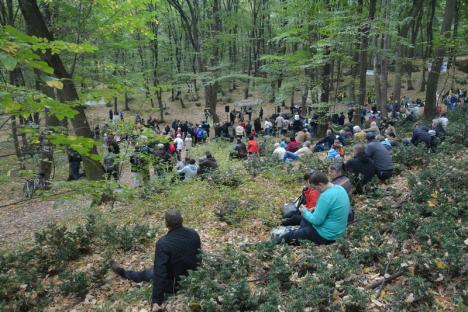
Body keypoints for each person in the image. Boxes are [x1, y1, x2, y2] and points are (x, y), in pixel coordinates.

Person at [110, 210, 200, 312]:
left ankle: (123, 273)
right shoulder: (194, 234)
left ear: (166, 224)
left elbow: (160, 273)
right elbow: (198, 257)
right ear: (182, 220)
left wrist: (156, 301)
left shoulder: (163, 243)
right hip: (195, 279)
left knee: (146, 274)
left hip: (175, 284)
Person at [278, 171, 350, 245]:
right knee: (305, 221)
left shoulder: (325, 196)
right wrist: (316, 208)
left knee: (288, 236)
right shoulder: (339, 188)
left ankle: (270, 245)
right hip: (338, 232)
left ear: (320, 184)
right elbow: (332, 207)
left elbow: (317, 221)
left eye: (315, 188)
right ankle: (301, 232)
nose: (315, 190)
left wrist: (305, 212)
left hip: (326, 236)